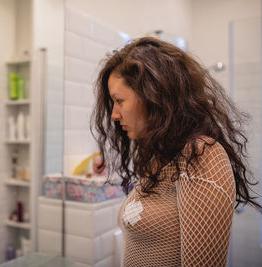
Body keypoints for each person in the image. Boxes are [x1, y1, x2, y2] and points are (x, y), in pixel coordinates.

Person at [91, 37, 261, 266]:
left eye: (119, 101)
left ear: (154, 96)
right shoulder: (160, 158)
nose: (114, 114)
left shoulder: (201, 157)